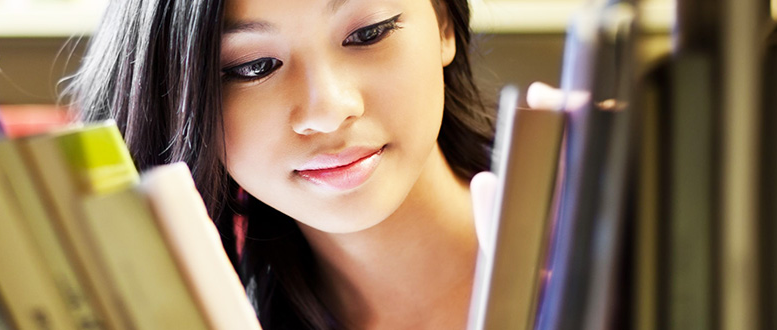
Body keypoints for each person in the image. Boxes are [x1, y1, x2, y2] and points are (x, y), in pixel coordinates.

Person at [65, 0, 496, 328]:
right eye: (254, 68)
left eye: (368, 34)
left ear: (443, 26)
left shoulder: (560, 260)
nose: (328, 109)